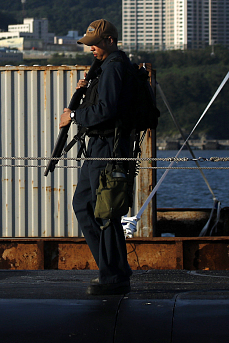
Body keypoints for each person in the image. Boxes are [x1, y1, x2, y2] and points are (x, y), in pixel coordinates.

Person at [59, 19, 134, 296]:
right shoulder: (105, 69)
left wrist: (74, 115)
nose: (90, 48)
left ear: (110, 41)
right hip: (98, 147)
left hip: (108, 147)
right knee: (84, 204)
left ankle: (113, 276)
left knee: (104, 212)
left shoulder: (114, 67)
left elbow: (107, 109)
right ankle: (112, 270)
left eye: (95, 43)